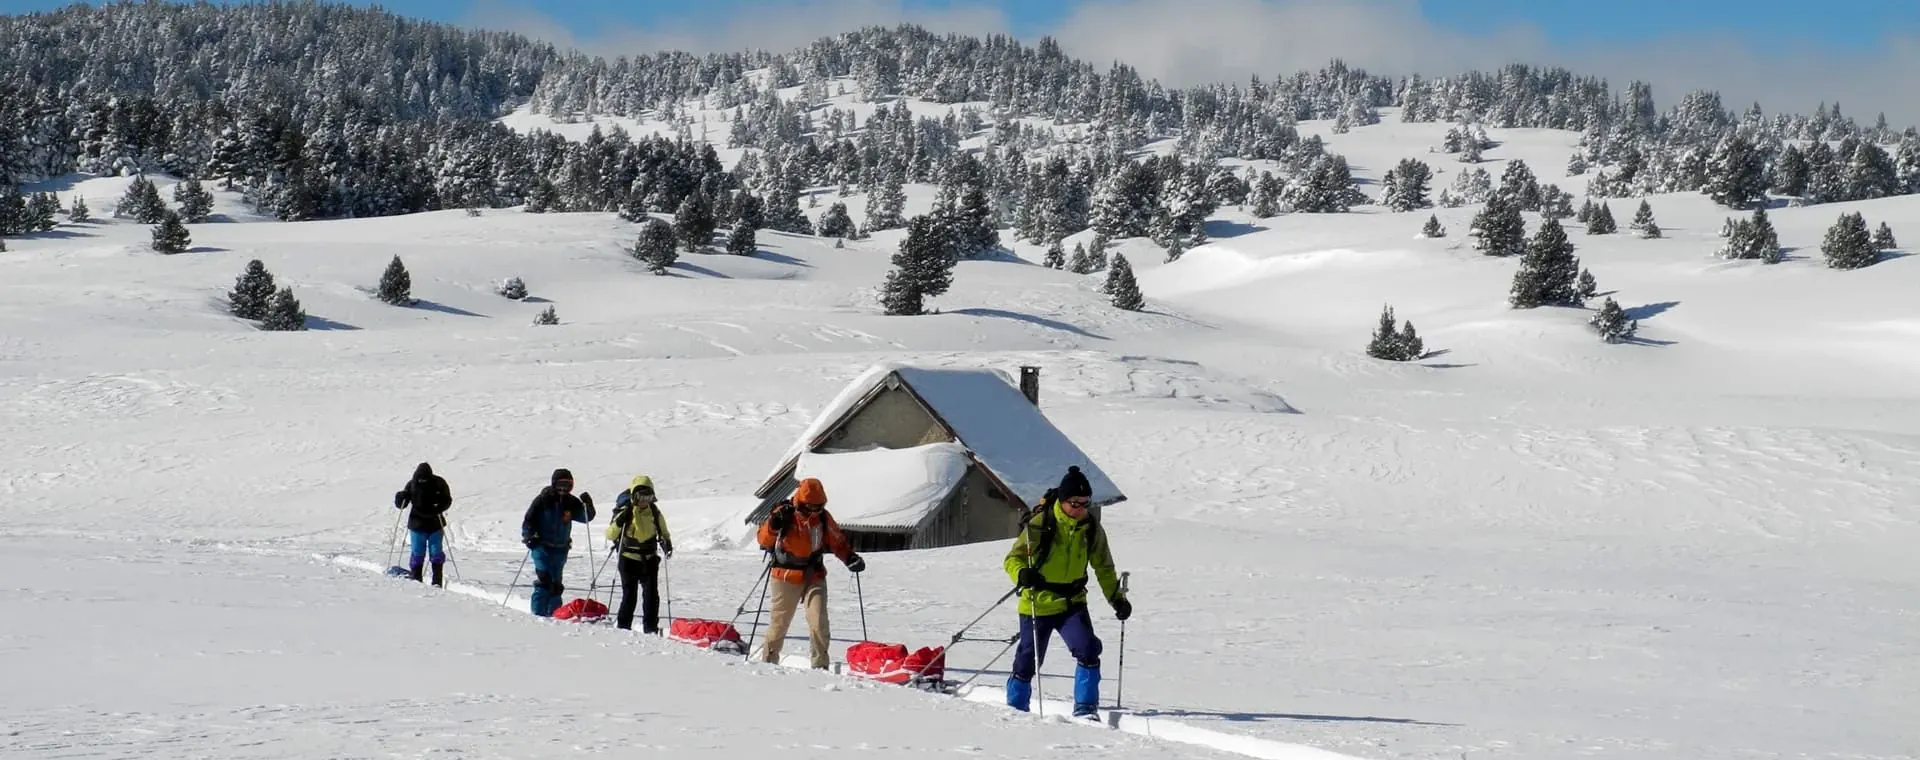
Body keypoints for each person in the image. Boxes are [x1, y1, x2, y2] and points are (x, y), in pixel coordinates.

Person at [1003, 465, 1131, 717]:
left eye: (1085, 503)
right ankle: (1016, 709)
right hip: (1037, 601)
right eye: (1075, 503)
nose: (1081, 509)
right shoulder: (1041, 524)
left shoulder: (1091, 528)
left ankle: (1086, 708)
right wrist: (1021, 573)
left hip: (1072, 601)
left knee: (1088, 650)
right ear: (1062, 501)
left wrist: (1117, 599)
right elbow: (1012, 559)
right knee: (1028, 660)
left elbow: (1103, 567)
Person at [756, 477, 865, 669]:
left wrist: (849, 558)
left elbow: (837, 541)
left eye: (819, 507)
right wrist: (773, 525)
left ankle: (820, 666)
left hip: (814, 575)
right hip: (785, 576)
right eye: (811, 507)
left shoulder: (823, 517)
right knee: (779, 623)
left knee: (819, 622)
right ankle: (767, 664)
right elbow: (764, 541)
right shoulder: (783, 513)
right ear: (801, 502)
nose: (815, 511)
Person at [521, 468, 595, 617]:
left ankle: (555, 616)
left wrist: (588, 504)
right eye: (560, 484)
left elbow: (585, 517)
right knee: (544, 580)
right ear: (554, 484)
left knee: (556, 584)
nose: (563, 489)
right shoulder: (543, 499)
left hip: (561, 549)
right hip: (541, 547)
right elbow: (529, 520)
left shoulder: (571, 502)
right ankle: (538, 615)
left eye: (568, 485)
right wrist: (529, 536)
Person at [605, 475, 673, 633]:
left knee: (651, 597)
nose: (644, 500)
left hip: (649, 559)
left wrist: (667, 543)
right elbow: (610, 535)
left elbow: (663, 532)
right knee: (630, 596)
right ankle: (623, 627)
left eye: (647, 496)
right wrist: (619, 521)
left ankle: (650, 628)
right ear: (633, 496)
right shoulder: (625, 512)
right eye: (640, 496)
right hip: (628, 560)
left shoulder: (655, 512)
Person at [393, 462, 453, 586]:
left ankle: (428, 581)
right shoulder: (415, 484)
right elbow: (402, 504)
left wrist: (440, 505)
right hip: (425, 524)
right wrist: (401, 497)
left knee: (426, 553)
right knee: (425, 553)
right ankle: (427, 581)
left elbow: (447, 500)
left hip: (428, 523)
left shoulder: (435, 483)